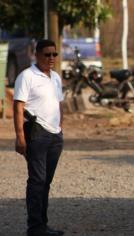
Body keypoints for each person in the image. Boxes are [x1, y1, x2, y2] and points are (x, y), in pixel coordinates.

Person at [13, 39, 64, 236]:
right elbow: (18, 107)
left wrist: (60, 129)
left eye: (54, 54)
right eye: (47, 54)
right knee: (37, 181)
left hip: (54, 135)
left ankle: (43, 225)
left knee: (46, 182)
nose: (51, 58)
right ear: (37, 55)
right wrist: (20, 137)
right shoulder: (26, 76)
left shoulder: (56, 77)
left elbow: (59, 103)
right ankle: (35, 228)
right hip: (36, 132)